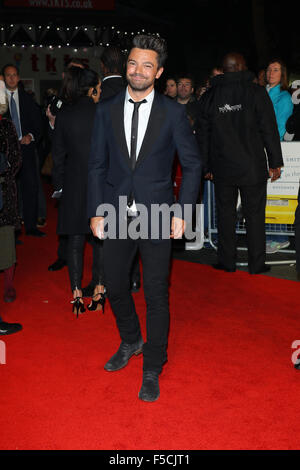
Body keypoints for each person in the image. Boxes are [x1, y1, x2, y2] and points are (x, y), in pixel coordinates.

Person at [87, 34, 202, 402]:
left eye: (147, 65)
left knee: (155, 294)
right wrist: (95, 209)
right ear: (126, 66)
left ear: (159, 70)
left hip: (156, 213)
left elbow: (193, 164)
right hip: (117, 211)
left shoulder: (172, 112)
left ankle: (153, 363)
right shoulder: (105, 108)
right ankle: (131, 339)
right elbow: (96, 164)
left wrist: (183, 211)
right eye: (133, 63)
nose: (138, 71)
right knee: (116, 286)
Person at [198, 52, 283, 274]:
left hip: (222, 167)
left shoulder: (210, 96)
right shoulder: (255, 93)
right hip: (252, 166)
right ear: (242, 67)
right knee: (255, 215)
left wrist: (206, 166)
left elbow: (203, 135)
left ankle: (227, 262)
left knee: (225, 215)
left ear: (225, 69)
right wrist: (275, 161)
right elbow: (269, 129)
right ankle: (256, 264)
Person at [52, 67, 105, 316]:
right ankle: (98, 292)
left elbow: (58, 155)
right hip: (101, 183)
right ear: (92, 87)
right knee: (100, 239)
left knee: (74, 240)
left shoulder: (64, 114)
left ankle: (76, 294)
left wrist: (59, 186)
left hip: (73, 182)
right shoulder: (102, 112)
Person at [2, 64, 43, 237]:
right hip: (5, 154)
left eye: (14, 75)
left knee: (30, 188)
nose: (11, 78)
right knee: (9, 193)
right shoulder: (1, 100)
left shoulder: (27, 99)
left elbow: (38, 125)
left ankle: (31, 226)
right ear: (3, 79)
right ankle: (12, 231)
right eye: (7, 76)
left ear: (18, 77)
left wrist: (31, 136)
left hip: (25, 150)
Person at [0, 77, 22, 334]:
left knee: (6, 244)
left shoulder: (5, 126)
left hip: (3, 194)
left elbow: (16, 160)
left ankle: (8, 286)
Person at [265, 59, 294, 254]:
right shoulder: (261, 92)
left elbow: (280, 126)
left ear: (282, 74)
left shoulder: (283, 97)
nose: (271, 73)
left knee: (275, 194)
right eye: (269, 69)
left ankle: (279, 237)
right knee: (265, 195)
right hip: (259, 149)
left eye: (276, 70)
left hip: (274, 149)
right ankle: (269, 235)